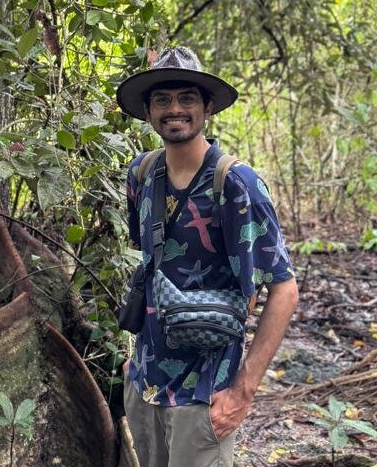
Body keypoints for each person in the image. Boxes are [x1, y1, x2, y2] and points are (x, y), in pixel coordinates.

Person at [116, 47, 299, 467]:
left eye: (187, 99)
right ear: (147, 111)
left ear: (207, 107)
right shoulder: (141, 175)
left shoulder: (235, 184)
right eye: (162, 100)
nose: (174, 109)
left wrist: (243, 391)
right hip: (145, 382)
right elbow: (150, 268)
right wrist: (134, 358)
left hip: (205, 391)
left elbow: (284, 289)